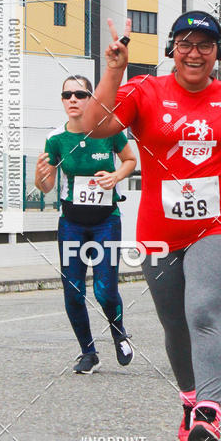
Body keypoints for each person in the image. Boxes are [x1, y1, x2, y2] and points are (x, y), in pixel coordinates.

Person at [82, 12, 221, 441]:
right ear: (172, 50)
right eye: (185, 43)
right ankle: (189, 399)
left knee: (202, 310)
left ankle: (209, 411)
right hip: (159, 230)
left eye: (205, 45)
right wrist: (113, 70)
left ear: (218, 54)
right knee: (174, 322)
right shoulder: (145, 91)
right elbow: (95, 126)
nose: (194, 53)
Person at [34, 75, 137, 374]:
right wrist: (39, 176)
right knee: (73, 290)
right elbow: (46, 185)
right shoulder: (56, 138)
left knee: (105, 290)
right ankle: (88, 352)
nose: (73, 100)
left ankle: (119, 332)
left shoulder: (108, 129)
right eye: (67, 95)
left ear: (91, 98)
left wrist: (116, 176)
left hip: (106, 222)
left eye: (80, 94)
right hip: (72, 224)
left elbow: (130, 160)